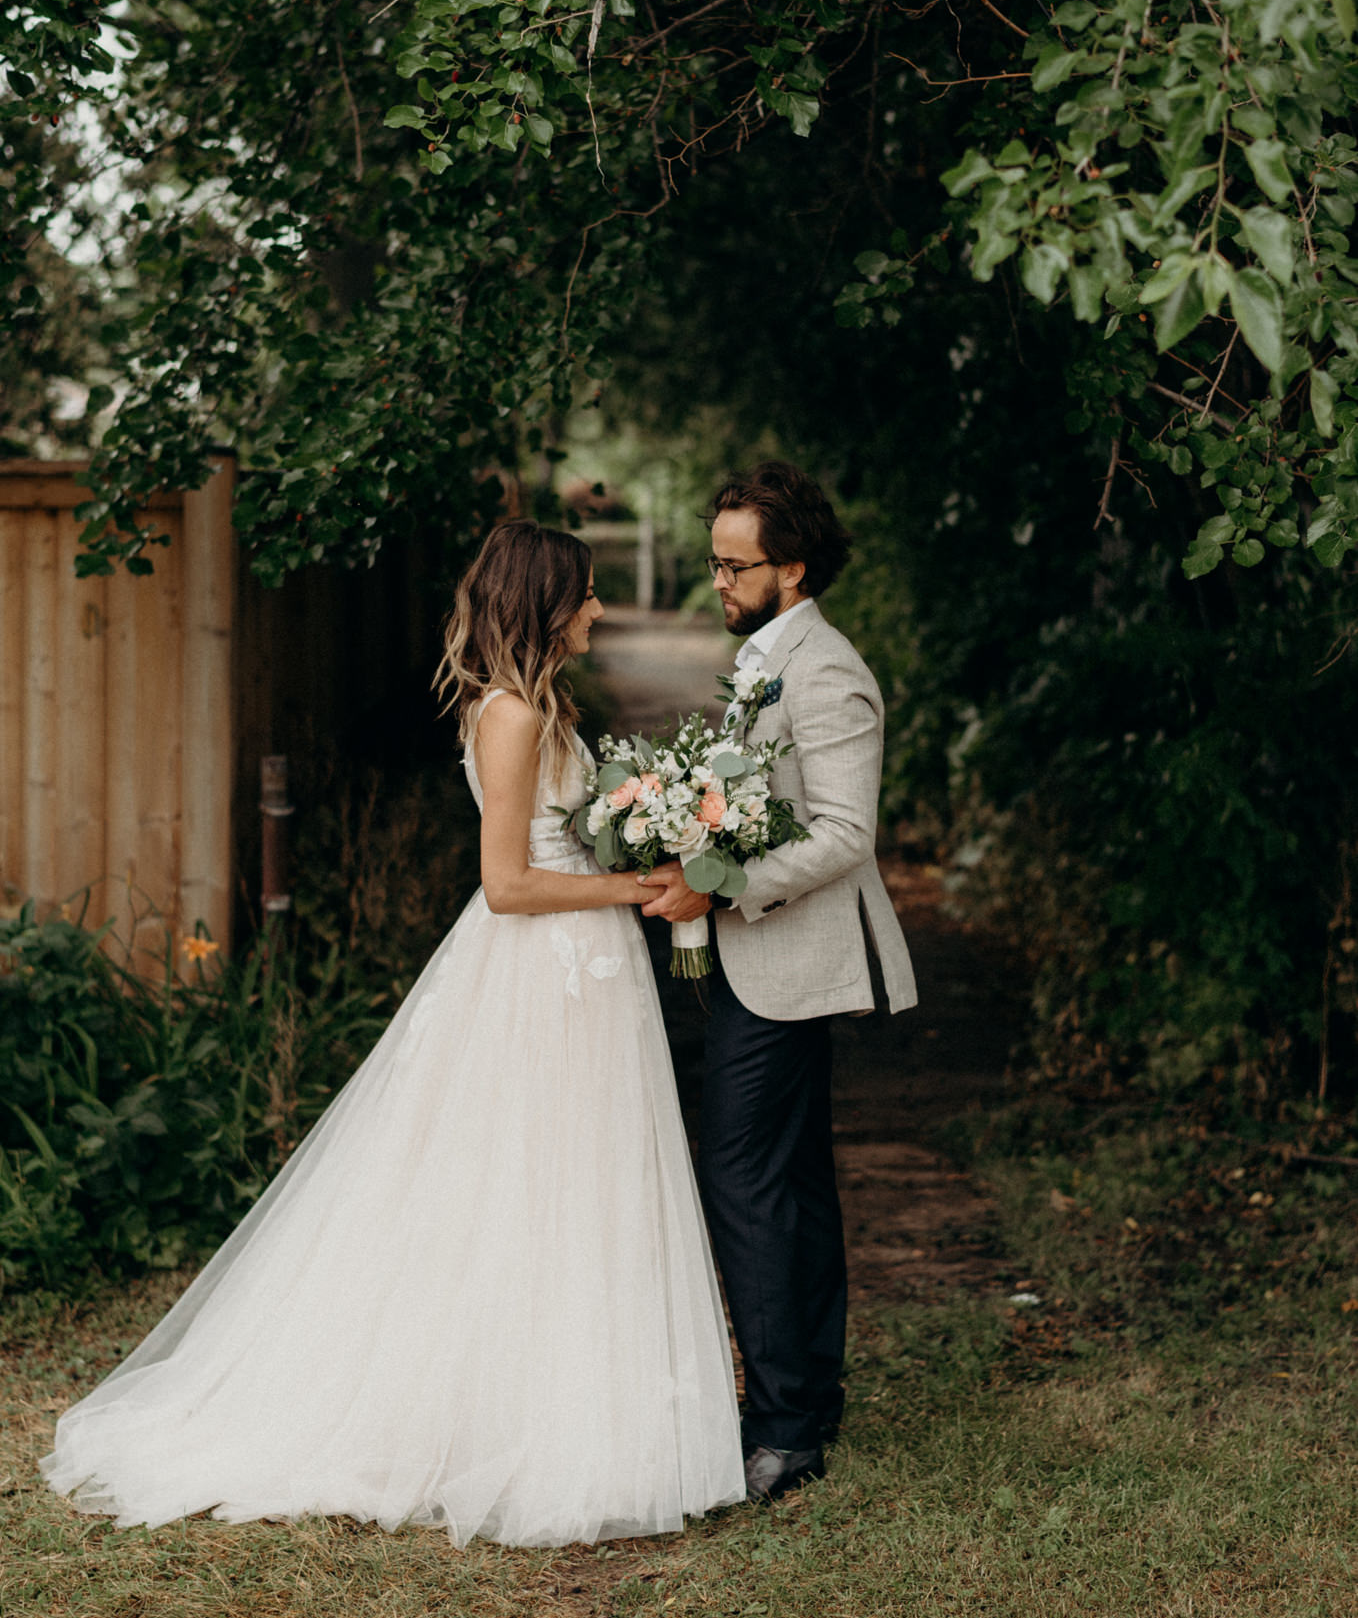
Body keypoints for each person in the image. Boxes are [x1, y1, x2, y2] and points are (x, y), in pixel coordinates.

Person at [42, 521, 745, 1548]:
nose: (598, 609)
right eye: (586, 595)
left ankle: (568, 1397)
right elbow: (504, 885)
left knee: (576, 1181)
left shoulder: (543, 707)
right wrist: (638, 882)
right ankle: (491, 1417)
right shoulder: (508, 715)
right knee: (514, 1179)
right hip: (538, 972)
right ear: (545, 604)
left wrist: (644, 841)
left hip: (586, 972)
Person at [643, 462, 918, 1502]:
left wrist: (718, 890)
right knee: (789, 1179)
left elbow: (847, 834)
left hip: (787, 959)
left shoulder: (824, 670)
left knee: (745, 1179)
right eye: (711, 561)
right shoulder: (765, 658)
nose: (716, 580)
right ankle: (809, 1395)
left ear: (790, 568)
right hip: (758, 960)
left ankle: (782, 1429)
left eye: (733, 565)